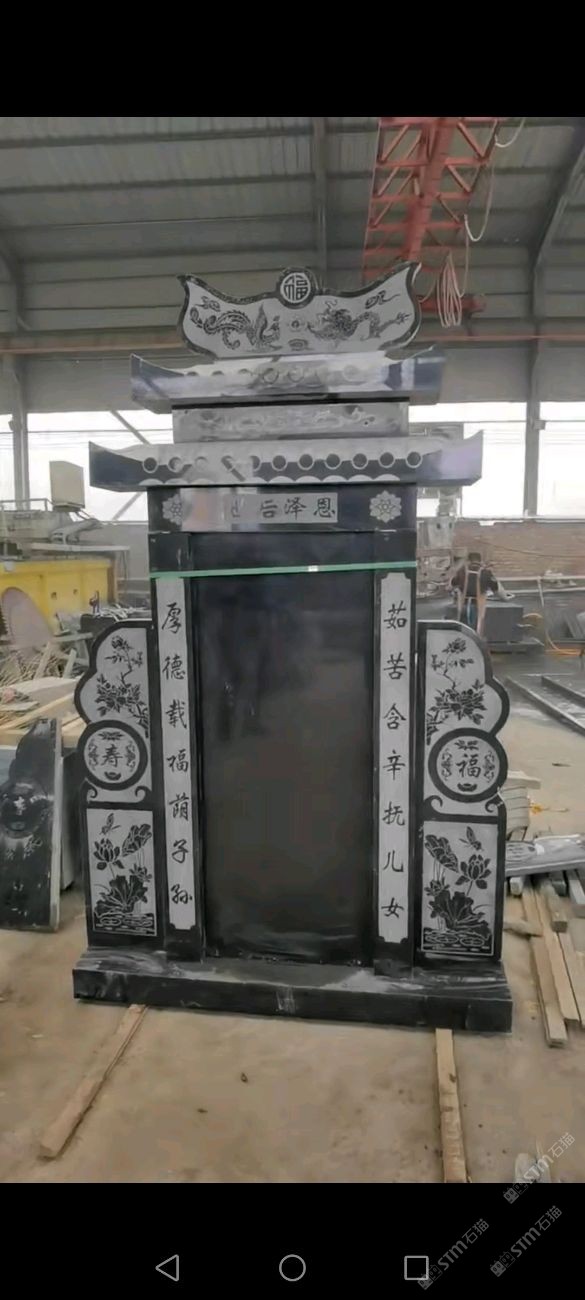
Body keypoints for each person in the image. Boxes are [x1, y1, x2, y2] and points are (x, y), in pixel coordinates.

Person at [449, 551, 499, 636]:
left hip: (464, 604)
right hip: (478, 605)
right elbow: (495, 588)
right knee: (476, 628)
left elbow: (453, 583)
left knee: (463, 627)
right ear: (480, 561)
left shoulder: (462, 571)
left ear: (468, 561)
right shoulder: (486, 572)